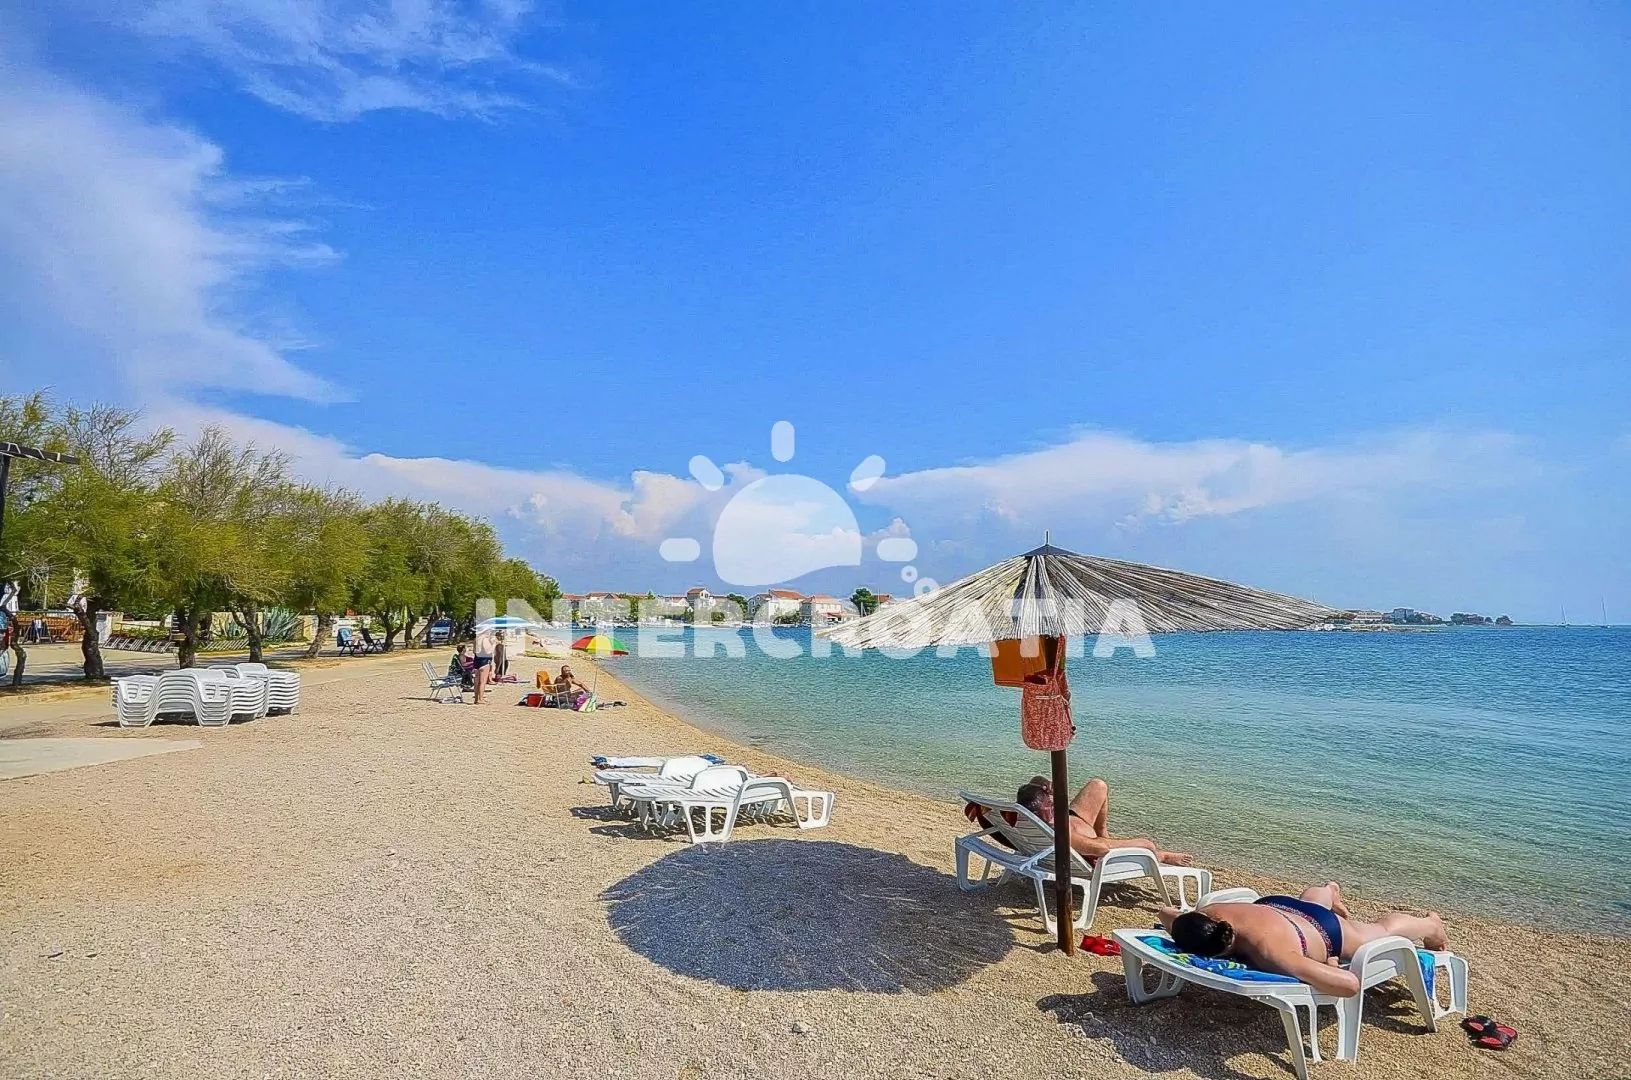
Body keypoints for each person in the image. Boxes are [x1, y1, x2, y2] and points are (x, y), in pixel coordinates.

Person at [1161, 882, 1449, 996]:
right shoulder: (1207, 914)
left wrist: (1330, 966)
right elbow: (1165, 913)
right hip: (1277, 906)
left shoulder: (1270, 953)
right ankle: (1328, 890)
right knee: (1311, 903)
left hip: (1325, 931)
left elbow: (1349, 985)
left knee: (1380, 932)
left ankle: (1431, 925)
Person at [969, 775, 1192, 867]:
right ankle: (1161, 856)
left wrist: (1044, 786)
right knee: (1147, 845)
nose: (1054, 803)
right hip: (1086, 843)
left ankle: (1103, 830)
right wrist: (1144, 844)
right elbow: (1101, 849)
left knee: (1098, 785)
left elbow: (1036, 783)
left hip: (1073, 824)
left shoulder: (1022, 818)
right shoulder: (1062, 835)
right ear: (1044, 811)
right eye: (1050, 804)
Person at [472, 627, 496, 703]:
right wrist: (493, 645)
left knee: (476, 682)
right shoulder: (485, 639)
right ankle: (481, 699)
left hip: (477, 660)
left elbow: (474, 651)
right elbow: (488, 651)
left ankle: (476, 699)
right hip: (484, 661)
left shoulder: (476, 639)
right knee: (482, 682)